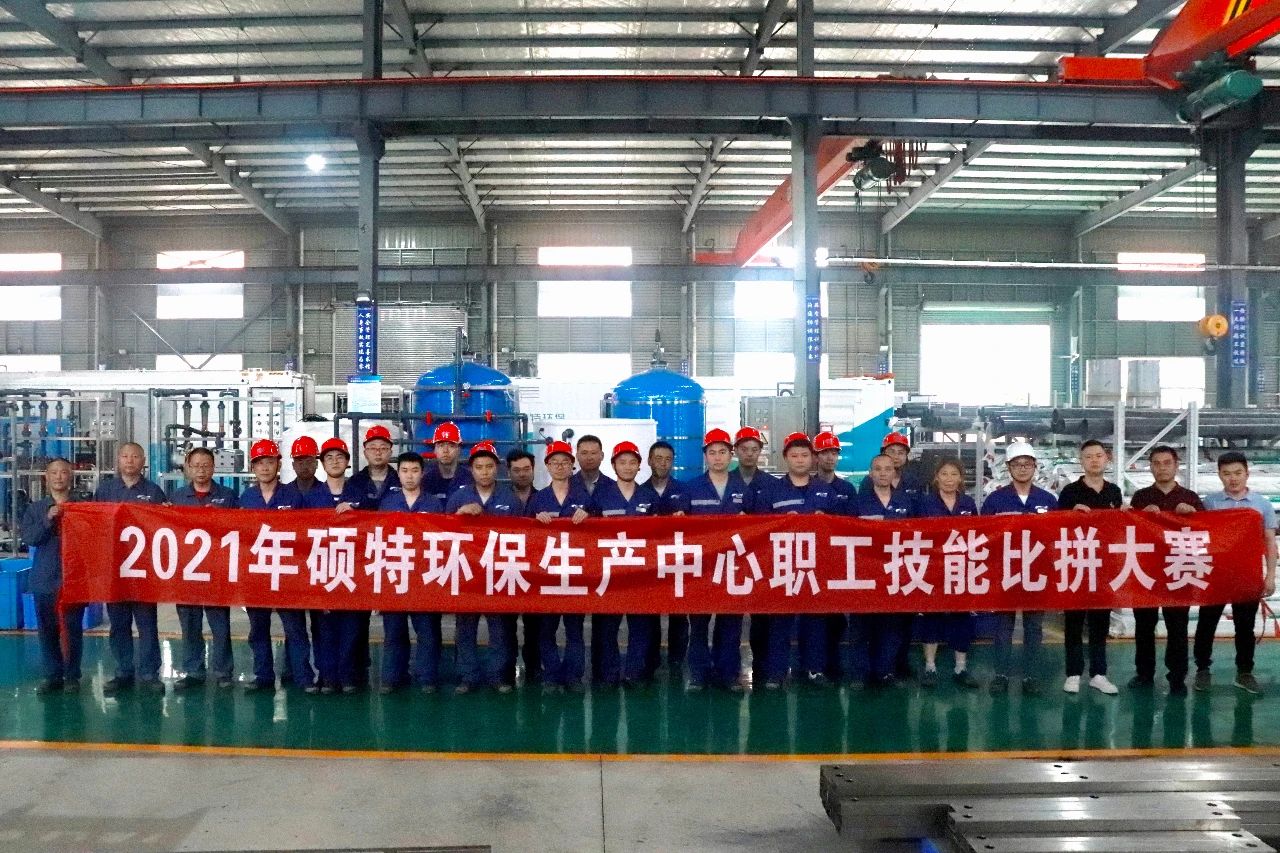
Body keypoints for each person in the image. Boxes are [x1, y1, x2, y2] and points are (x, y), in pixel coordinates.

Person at [753, 432, 834, 688]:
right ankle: (776, 672)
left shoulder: (826, 492)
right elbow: (758, 529)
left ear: (813, 459)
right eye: (794, 455)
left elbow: (844, 528)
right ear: (786, 458)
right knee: (780, 621)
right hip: (782, 566)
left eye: (804, 455)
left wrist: (826, 521)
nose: (800, 460)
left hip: (816, 566)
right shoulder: (771, 492)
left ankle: (814, 669)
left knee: (815, 620)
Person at [1194, 451, 1277, 696]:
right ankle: (1202, 669)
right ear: (1219, 475)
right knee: (1206, 624)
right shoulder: (1210, 503)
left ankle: (1244, 672)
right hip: (1215, 575)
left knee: (1245, 626)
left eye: (1238, 473)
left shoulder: (1262, 505)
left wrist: (1270, 576)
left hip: (1247, 575)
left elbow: (1269, 542)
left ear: (1247, 474)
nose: (1233, 478)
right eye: (1227, 473)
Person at [981, 440, 1058, 696]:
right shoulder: (995, 500)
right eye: (1017, 464)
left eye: (1027, 464)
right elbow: (984, 537)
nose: (1022, 468)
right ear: (1009, 467)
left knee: (1034, 628)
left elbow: (1056, 538)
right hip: (1004, 573)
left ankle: (1031, 675)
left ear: (1035, 466)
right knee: (1003, 627)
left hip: (1037, 574)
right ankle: (1001, 675)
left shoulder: (1048, 500)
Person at [238, 439, 315, 693]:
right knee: (258, 629)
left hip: (287, 574)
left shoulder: (294, 497)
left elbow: (305, 535)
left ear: (278, 465)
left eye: (269, 462)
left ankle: (303, 677)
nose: (265, 467)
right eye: (259, 463)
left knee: (295, 629)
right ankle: (263, 677)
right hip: (257, 574)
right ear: (253, 467)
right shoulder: (246, 498)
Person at [94, 442, 168, 695]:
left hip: (144, 572)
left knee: (147, 625)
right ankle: (123, 672)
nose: (130, 460)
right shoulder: (105, 491)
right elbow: (93, 525)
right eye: (125, 456)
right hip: (114, 571)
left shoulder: (154, 492)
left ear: (143, 461)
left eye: (135, 456)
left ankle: (149, 673)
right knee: (118, 624)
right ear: (118, 460)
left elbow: (165, 529)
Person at [1129, 445, 1202, 695]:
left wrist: (1193, 516)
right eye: (1157, 463)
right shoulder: (1141, 498)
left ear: (1176, 465)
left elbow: (1205, 533)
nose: (1162, 468)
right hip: (1147, 571)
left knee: (1177, 627)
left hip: (1179, 570)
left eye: (1167, 463)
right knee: (1144, 625)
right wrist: (1141, 515)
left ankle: (1177, 677)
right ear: (1151, 467)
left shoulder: (1190, 498)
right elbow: (1131, 531)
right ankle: (1144, 673)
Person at [681, 428, 751, 691]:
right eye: (712, 452)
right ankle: (698, 674)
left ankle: (728, 674)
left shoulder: (743, 489)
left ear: (731, 455)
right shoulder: (691, 488)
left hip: (733, 566)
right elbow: (678, 527)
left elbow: (760, 525)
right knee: (698, 624)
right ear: (705, 456)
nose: (718, 457)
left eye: (722, 452)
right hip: (701, 568)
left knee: (731, 624)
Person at [446, 441, 518, 693]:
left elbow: (522, 537)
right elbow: (443, 533)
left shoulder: (509, 499)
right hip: (467, 574)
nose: (485, 471)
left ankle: (499, 676)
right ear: (471, 469)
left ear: (497, 468)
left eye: (489, 466)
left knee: (500, 629)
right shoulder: (459, 497)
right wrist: (459, 514)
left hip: (499, 574)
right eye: (479, 467)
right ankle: (468, 677)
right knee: (465, 629)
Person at [589, 441, 660, 687]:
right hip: (610, 575)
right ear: (613, 465)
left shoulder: (649, 497)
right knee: (607, 628)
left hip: (641, 575)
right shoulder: (600, 496)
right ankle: (608, 675)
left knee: (641, 627)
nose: (627, 467)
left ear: (639, 466)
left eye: (632, 462)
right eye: (622, 462)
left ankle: (635, 673)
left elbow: (661, 535)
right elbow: (588, 536)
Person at [1055, 439, 1122, 696]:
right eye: (1089, 456)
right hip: (1075, 563)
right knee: (1073, 621)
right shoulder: (1070, 492)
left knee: (1100, 622)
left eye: (1098, 456)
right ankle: (1073, 673)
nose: (1094, 460)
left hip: (1103, 566)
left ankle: (1099, 674)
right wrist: (1070, 514)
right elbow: (1056, 526)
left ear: (1107, 459)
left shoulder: (1114, 492)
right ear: (1081, 461)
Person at [171, 447, 239, 690]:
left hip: (217, 571)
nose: (201, 470)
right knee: (190, 624)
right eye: (196, 465)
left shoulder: (228, 497)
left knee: (220, 625)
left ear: (213, 468)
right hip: (186, 573)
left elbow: (240, 528)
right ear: (188, 468)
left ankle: (223, 671)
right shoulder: (177, 497)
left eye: (206, 465)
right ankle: (193, 670)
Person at [379, 451, 446, 694]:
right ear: (398, 474)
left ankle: (427, 678)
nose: (409, 476)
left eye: (415, 471)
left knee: (427, 630)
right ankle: (392, 677)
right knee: (394, 631)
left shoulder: (434, 504)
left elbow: (443, 540)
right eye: (405, 471)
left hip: (425, 577)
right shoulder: (387, 503)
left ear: (422, 473)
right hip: (395, 575)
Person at [528, 440, 592, 692]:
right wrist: (535, 521)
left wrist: (589, 518)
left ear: (572, 465)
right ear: (547, 466)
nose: (560, 466)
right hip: (547, 576)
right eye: (554, 462)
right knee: (546, 630)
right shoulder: (538, 499)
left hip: (575, 575)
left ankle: (574, 676)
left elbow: (601, 535)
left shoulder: (584, 498)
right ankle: (552, 675)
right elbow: (523, 536)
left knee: (575, 630)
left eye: (565, 462)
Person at [21, 458, 88, 694]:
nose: (59, 477)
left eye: (63, 472)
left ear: (71, 476)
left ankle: (71, 675)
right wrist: (48, 519)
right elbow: (30, 538)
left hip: (74, 579)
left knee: (72, 629)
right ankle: (52, 675)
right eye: (54, 473)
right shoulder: (35, 509)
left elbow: (92, 539)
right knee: (47, 630)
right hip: (45, 579)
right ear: (46, 477)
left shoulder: (83, 508)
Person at [851, 453, 917, 688]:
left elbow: (917, 535)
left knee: (891, 625)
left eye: (887, 469)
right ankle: (860, 674)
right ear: (870, 473)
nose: (882, 473)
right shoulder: (857, 503)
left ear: (894, 472)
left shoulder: (906, 502)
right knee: (861, 626)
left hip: (894, 572)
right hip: (864, 572)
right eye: (878, 469)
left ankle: (885, 671)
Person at [304, 436, 364, 694]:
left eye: (340, 457)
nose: (335, 461)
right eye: (329, 457)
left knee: (351, 627)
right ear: (322, 463)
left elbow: (374, 531)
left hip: (353, 571)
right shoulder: (311, 497)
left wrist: (357, 513)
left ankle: (348, 676)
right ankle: (327, 677)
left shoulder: (360, 494)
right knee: (323, 628)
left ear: (347, 462)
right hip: (322, 571)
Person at [343, 424, 401, 688]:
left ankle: (394, 675)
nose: (378, 452)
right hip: (361, 560)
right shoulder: (353, 483)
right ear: (364, 451)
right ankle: (356, 670)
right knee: (356, 620)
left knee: (394, 621)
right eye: (373, 448)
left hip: (394, 558)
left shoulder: (402, 480)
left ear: (390, 451)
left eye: (383, 448)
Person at [915, 458, 980, 690]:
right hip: (932, 568)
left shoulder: (968, 503)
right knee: (931, 616)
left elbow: (978, 534)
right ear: (936, 477)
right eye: (944, 474)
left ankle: (960, 668)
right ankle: (930, 667)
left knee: (962, 617)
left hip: (961, 569)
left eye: (954, 474)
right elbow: (915, 535)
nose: (949, 479)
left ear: (961, 478)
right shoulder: (925, 503)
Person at [812, 431, 857, 680]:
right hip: (811, 560)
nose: (830, 457)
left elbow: (854, 524)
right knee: (814, 616)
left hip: (839, 560)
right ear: (816, 457)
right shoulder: (807, 487)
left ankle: (834, 662)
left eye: (833, 453)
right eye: (824, 453)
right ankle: (813, 665)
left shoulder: (847, 489)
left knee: (837, 616)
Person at [735, 426, 777, 684]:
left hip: (763, 559)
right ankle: (729, 669)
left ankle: (763, 668)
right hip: (731, 560)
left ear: (761, 451)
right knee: (730, 617)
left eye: (754, 449)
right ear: (736, 451)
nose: (749, 454)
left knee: (762, 616)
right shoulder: (725, 481)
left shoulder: (772, 485)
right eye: (744, 449)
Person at [642, 440, 687, 678]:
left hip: (678, 562)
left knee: (679, 614)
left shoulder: (685, 491)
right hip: (649, 565)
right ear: (649, 461)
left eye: (668, 459)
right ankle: (651, 661)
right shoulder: (639, 491)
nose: (663, 463)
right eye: (658, 458)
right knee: (650, 614)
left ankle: (678, 662)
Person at [504, 447, 541, 684]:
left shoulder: (545, 498)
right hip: (506, 571)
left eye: (526, 469)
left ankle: (534, 667)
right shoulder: (499, 499)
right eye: (516, 470)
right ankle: (506, 669)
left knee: (535, 625)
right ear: (508, 472)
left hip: (537, 573)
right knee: (506, 626)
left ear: (533, 470)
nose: (522, 474)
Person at [859, 432, 925, 503]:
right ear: (883, 453)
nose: (896, 457)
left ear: (906, 456)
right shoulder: (870, 481)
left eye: (900, 453)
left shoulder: (913, 481)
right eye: (892, 452)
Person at [423, 421, 472, 505]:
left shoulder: (470, 480)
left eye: (451, 445)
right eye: (441, 445)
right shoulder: (426, 481)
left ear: (459, 449)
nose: (445, 450)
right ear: (435, 450)